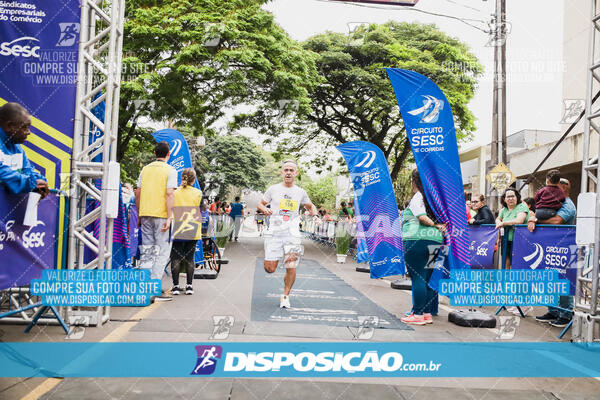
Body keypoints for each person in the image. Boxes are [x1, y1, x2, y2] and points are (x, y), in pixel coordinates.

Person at [258, 160, 317, 308]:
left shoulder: (300, 192)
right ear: (282, 172)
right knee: (269, 268)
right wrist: (264, 209)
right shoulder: (273, 189)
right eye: (286, 170)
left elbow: (310, 206)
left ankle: (285, 296)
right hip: (275, 233)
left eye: (291, 170)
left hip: (292, 234)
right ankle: (276, 258)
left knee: (291, 265)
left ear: (296, 173)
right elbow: (260, 204)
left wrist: (315, 215)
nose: (289, 172)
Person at [401, 169, 446, 325]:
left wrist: (434, 224)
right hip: (436, 240)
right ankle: (426, 313)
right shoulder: (436, 197)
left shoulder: (419, 196)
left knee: (418, 277)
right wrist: (438, 227)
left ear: (414, 180)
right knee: (426, 277)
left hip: (417, 239)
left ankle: (418, 314)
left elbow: (421, 217)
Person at [529, 178, 576, 328]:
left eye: (555, 186)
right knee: (551, 280)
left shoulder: (568, 205)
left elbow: (557, 221)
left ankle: (566, 314)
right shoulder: (554, 203)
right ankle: (553, 310)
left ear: (563, 187)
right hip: (552, 248)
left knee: (565, 281)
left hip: (568, 248)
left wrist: (536, 220)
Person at [135, 141, 177, 302]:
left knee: (148, 252)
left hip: (145, 214)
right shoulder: (170, 170)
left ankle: (144, 288)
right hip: (161, 215)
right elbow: (169, 194)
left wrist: (139, 214)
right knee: (162, 252)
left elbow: (137, 193)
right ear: (168, 154)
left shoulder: (145, 169)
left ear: (154, 153)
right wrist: (169, 217)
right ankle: (153, 289)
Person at [0, 102, 49, 197]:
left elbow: (28, 171)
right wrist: (32, 184)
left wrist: (41, 183)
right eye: (25, 127)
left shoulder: (17, 148)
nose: (28, 132)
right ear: (9, 126)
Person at [170, 168, 202, 296]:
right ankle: (189, 286)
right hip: (192, 223)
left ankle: (176, 286)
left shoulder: (175, 192)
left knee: (175, 256)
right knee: (190, 257)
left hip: (177, 222)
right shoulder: (198, 192)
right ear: (193, 180)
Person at [495, 188, 529, 269]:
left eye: (512, 196)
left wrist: (503, 223)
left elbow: (519, 221)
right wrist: (499, 223)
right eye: (508, 197)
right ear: (504, 199)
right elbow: (498, 219)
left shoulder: (522, 206)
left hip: (519, 240)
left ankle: (515, 280)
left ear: (517, 197)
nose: (510, 199)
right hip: (506, 239)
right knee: (506, 259)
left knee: (517, 261)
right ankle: (506, 279)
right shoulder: (503, 210)